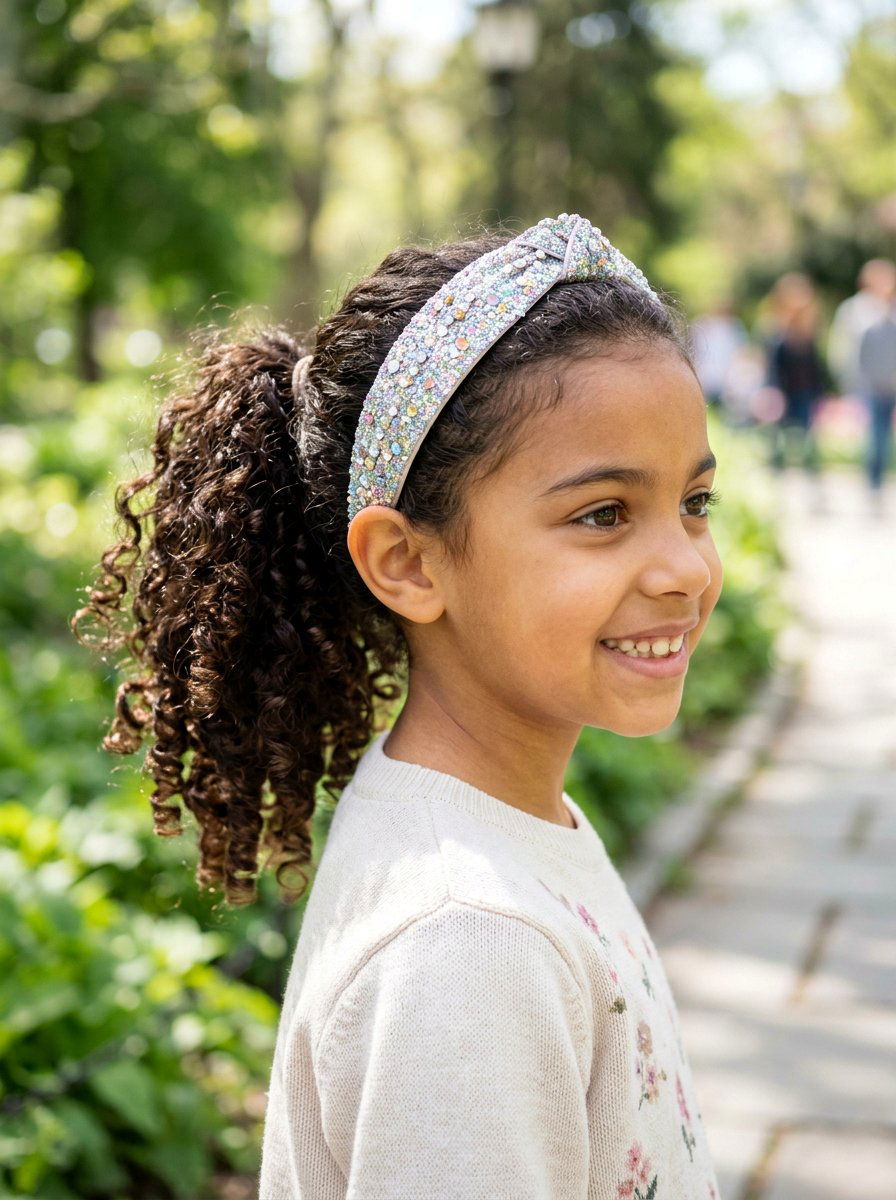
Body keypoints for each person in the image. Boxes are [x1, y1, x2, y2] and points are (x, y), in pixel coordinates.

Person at [72, 214, 724, 1198]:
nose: (682, 566)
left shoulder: (503, 836)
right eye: (602, 515)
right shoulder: (464, 948)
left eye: (694, 503)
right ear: (407, 563)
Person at [762, 272, 828, 490]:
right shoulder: (774, 328)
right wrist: (772, 391)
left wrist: (820, 391)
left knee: (809, 441)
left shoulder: (809, 329)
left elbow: (815, 365)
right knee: (777, 440)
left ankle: (812, 484)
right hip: (782, 392)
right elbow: (771, 365)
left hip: (805, 391)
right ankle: (776, 483)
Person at [828, 258, 896, 398]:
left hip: (890, 387)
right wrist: (846, 380)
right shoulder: (852, 310)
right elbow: (841, 349)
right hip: (861, 386)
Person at [858, 301, 896, 510]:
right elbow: (862, 361)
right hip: (874, 390)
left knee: (884, 439)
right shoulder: (870, 329)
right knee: (876, 438)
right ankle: (874, 484)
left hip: (891, 390)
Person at [690, 296, 748, 417]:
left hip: (727, 374)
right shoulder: (703, 324)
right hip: (706, 372)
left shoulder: (735, 327)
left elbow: (740, 352)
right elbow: (696, 349)